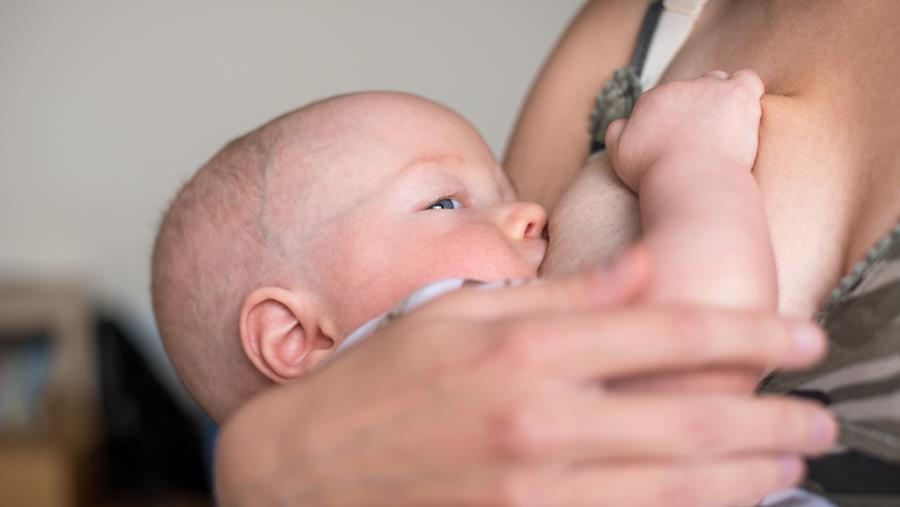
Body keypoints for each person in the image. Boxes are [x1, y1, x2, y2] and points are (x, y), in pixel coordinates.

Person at [153, 69, 774, 423]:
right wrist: (693, 159)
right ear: (296, 336)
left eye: (505, 191)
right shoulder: (432, 369)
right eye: (445, 203)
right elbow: (707, 347)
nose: (532, 212)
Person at [504, 0, 900, 504]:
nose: (514, 216)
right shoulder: (627, 31)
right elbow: (695, 356)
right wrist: (691, 162)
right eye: (443, 203)